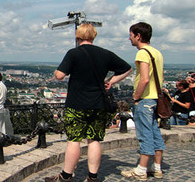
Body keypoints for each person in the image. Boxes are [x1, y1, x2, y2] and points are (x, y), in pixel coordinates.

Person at [45, 23, 131, 182]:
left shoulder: (74, 53)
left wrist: (57, 71)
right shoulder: (105, 54)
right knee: (94, 140)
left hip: (76, 103)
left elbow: (59, 76)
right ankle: (92, 177)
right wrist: (111, 81)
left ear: (77, 37)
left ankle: (66, 176)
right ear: (93, 36)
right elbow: (127, 68)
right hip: (98, 104)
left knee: (74, 140)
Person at [121, 22, 165, 180]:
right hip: (155, 99)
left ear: (138, 36)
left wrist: (136, 97)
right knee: (155, 133)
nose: (129, 38)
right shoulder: (157, 53)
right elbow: (161, 78)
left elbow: (144, 79)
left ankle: (141, 169)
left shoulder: (142, 53)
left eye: (131, 35)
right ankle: (157, 167)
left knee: (145, 135)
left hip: (145, 99)